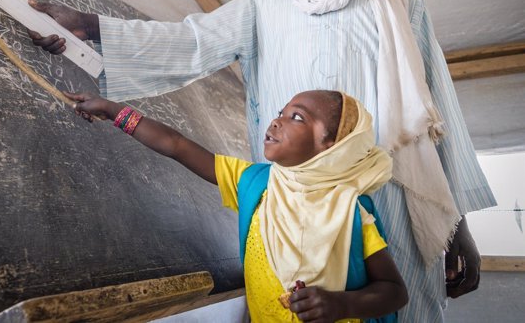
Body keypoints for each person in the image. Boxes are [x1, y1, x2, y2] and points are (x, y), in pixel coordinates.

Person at [28, 0, 495, 321]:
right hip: (290, 201)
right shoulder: (264, 2)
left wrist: (458, 225)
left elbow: (435, 111)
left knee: (398, 300)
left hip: (389, 196)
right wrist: (89, 27)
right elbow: (189, 43)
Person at [64, 88, 408, 322]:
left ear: (332, 146)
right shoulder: (255, 182)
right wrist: (113, 111)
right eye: (280, 113)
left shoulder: (350, 210)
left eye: (297, 118)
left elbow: (394, 291)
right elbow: (177, 145)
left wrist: (341, 303)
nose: (276, 122)